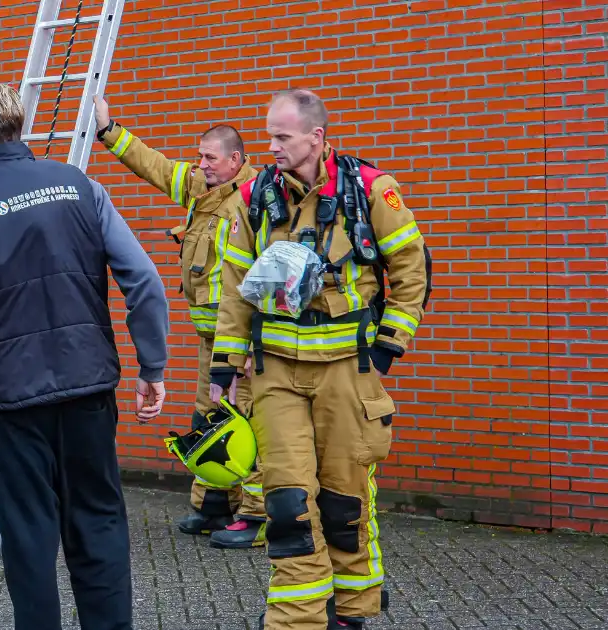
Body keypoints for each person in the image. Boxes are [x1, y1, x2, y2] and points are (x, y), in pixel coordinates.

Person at [0, 81, 170, 630]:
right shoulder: (80, 185)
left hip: (10, 400)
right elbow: (144, 280)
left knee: (28, 534)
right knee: (98, 520)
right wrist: (152, 366)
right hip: (87, 388)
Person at [209, 89, 430, 630]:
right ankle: (296, 620)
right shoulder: (256, 196)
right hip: (276, 372)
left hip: (347, 372)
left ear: (317, 136)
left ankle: (352, 612)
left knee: (344, 499)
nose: (273, 147)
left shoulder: (371, 190)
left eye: (282, 137)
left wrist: (386, 349)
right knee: (287, 502)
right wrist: (224, 366)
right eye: (269, 137)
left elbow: (411, 271)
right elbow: (236, 287)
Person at [93, 94, 267, 549]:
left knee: (248, 421)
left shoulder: (255, 200)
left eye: (210, 158)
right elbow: (154, 165)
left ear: (236, 160)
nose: (201, 165)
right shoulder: (201, 189)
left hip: (243, 340)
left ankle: (257, 514)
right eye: (199, 157)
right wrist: (109, 130)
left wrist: (247, 344)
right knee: (209, 416)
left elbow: (258, 280)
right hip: (210, 337)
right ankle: (213, 504)